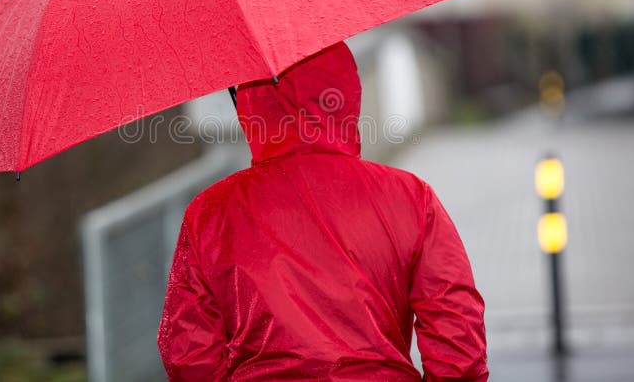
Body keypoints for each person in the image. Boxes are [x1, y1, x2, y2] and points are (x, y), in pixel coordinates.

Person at [158, 41, 488, 381]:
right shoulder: (410, 198)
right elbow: (457, 338)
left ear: (249, 103)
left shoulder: (210, 214)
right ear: (346, 92)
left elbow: (188, 355)